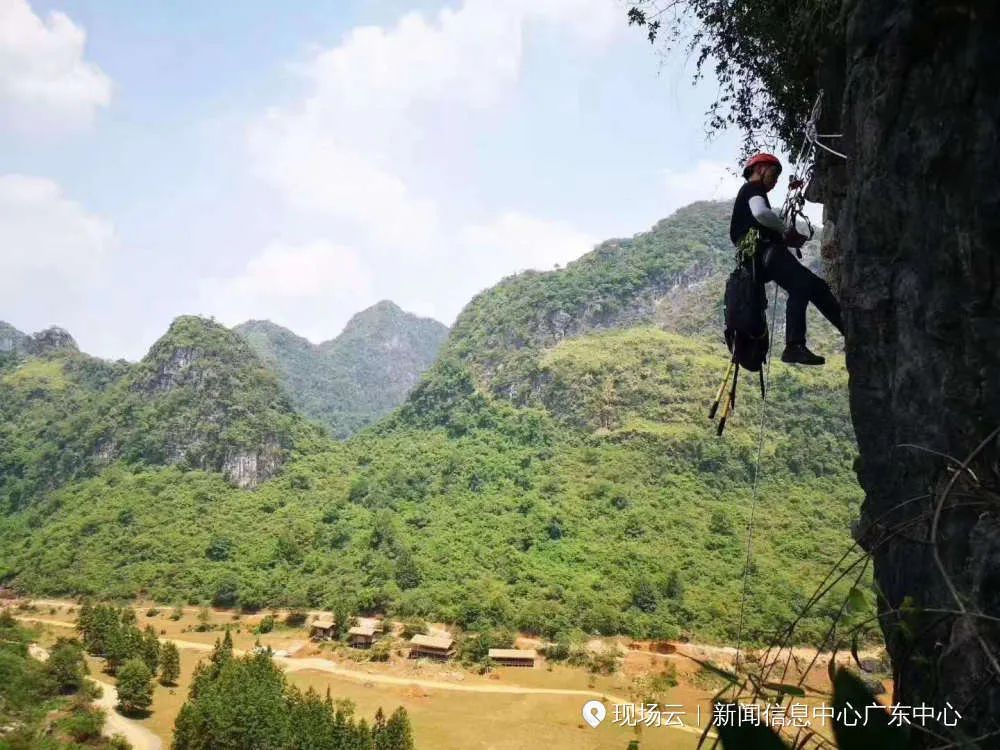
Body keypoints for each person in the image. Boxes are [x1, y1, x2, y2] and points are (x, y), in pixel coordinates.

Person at [729, 152, 845, 365]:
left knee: (815, 286)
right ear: (760, 168)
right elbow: (762, 214)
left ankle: (846, 326)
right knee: (802, 285)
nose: (775, 181)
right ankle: (794, 345)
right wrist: (785, 232)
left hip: (761, 258)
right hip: (766, 254)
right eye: (773, 174)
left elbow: (760, 220)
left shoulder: (748, 194)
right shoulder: (752, 189)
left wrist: (784, 238)